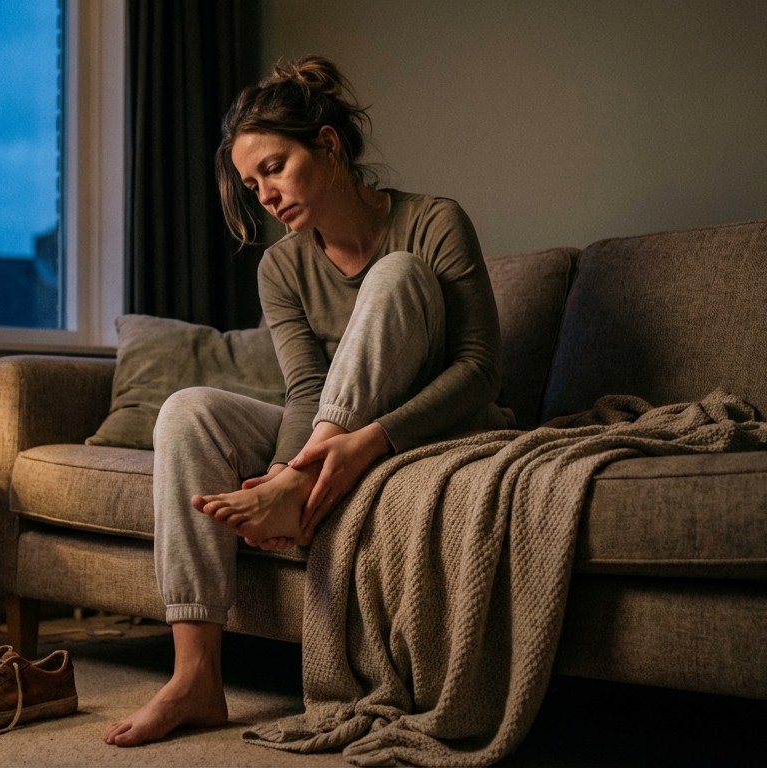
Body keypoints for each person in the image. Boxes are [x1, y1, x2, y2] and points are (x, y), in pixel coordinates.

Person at [103, 55, 511, 748]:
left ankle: (299, 485)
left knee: (397, 275)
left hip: (431, 428)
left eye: (274, 167)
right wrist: (301, 462)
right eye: (249, 182)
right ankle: (195, 676)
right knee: (187, 410)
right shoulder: (282, 265)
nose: (263, 194)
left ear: (326, 145)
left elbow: (478, 371)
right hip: (330, 433)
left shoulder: (433, 221)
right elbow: (306, 389)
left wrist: (355, 446)